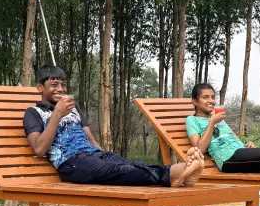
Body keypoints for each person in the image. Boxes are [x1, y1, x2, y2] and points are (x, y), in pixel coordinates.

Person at [24, 65, 205, 187]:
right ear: (40, 88)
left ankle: (178, 176)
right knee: (119, 171)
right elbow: (39, 149)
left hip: (94, 156)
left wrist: (103, 156)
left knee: (130, 164)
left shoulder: (73, 108)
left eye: (63, 85)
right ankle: (173, 173)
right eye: (53, 85)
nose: (60, 89)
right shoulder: (33, 113)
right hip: (72, 164)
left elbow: (90, 138)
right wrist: (57, 114)